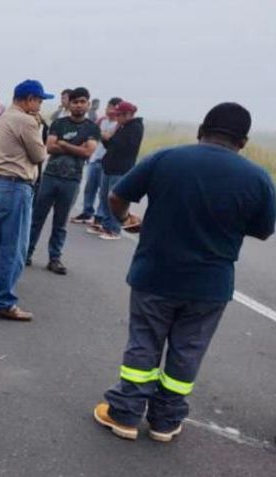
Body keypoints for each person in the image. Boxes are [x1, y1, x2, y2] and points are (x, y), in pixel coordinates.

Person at [93, 102, 275, 442]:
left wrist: (123, 220)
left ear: (201, 129)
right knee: (187, 351)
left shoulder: (167, 158)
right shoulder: (257, 178)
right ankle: (165, 421)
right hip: (210, 285)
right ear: (244, 141)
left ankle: (126, 414)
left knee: (144, 344)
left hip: (156, 274)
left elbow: (117, 196)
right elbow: (264, 229)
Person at [0, 79, 52, 321]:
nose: (40, 105)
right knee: (14, 247)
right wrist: (38, 128)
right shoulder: (26, 121)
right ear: (29, 99)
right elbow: (39, 154)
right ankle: (4, 301)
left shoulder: (2, 117)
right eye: (38, 100)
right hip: (16, 186)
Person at [26, 87, 100, 274]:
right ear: (70, 104)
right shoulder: (59, 123)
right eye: (75, 101)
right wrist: (76, 147)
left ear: (88, 104)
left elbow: (88, 152)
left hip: (72, 179)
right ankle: (26, 253)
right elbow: (50, 147)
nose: (79, 105)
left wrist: (65, 144)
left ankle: (55, 258)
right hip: (50, 176)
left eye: (83, 101)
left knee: (61, 222)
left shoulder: (92, 128)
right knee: (37, 218)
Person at [90, 101, 144, 240]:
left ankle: (114, 229)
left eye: (119, 115)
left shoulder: (135, 128)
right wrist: (107, 137)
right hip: (109, 167)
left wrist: (112, 137)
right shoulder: (122, 126)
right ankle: (106, 224)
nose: (117, 118)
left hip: (120, 169)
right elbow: (110, 146)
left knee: (115, 200)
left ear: (128, 115)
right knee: (104, 198)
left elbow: (126, 148)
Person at [72, 97, 122, 224]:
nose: (106, 109)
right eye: (107, 106)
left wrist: (104, 135)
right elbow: (94, 135)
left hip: (107, 161)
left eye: (110, 107)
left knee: (103, 191)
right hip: (95, 158)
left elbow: (109, 139)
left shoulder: (119, 125)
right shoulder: (101, 120)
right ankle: (87, 211)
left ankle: (100, 216)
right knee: (90, 187)